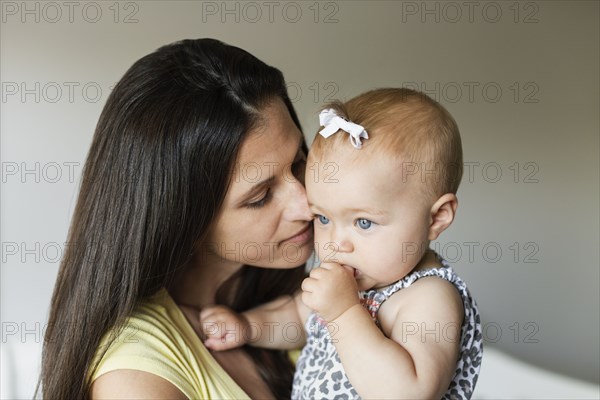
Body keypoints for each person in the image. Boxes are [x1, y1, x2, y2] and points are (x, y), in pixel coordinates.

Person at [39, 38, 315, 399]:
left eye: (299, 162)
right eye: (260, 197)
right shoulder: (135, 373)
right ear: (185, 219)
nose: (307, 204)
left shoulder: (302, 300)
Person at [196, 88, 483, 399]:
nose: (335, 244)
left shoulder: (428, 297)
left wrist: (345, 313)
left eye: (363, 222)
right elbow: (296, 318)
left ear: (436, 218)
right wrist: (248, 327)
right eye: (323, 219)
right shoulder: (348, 282)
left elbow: (410, 392)